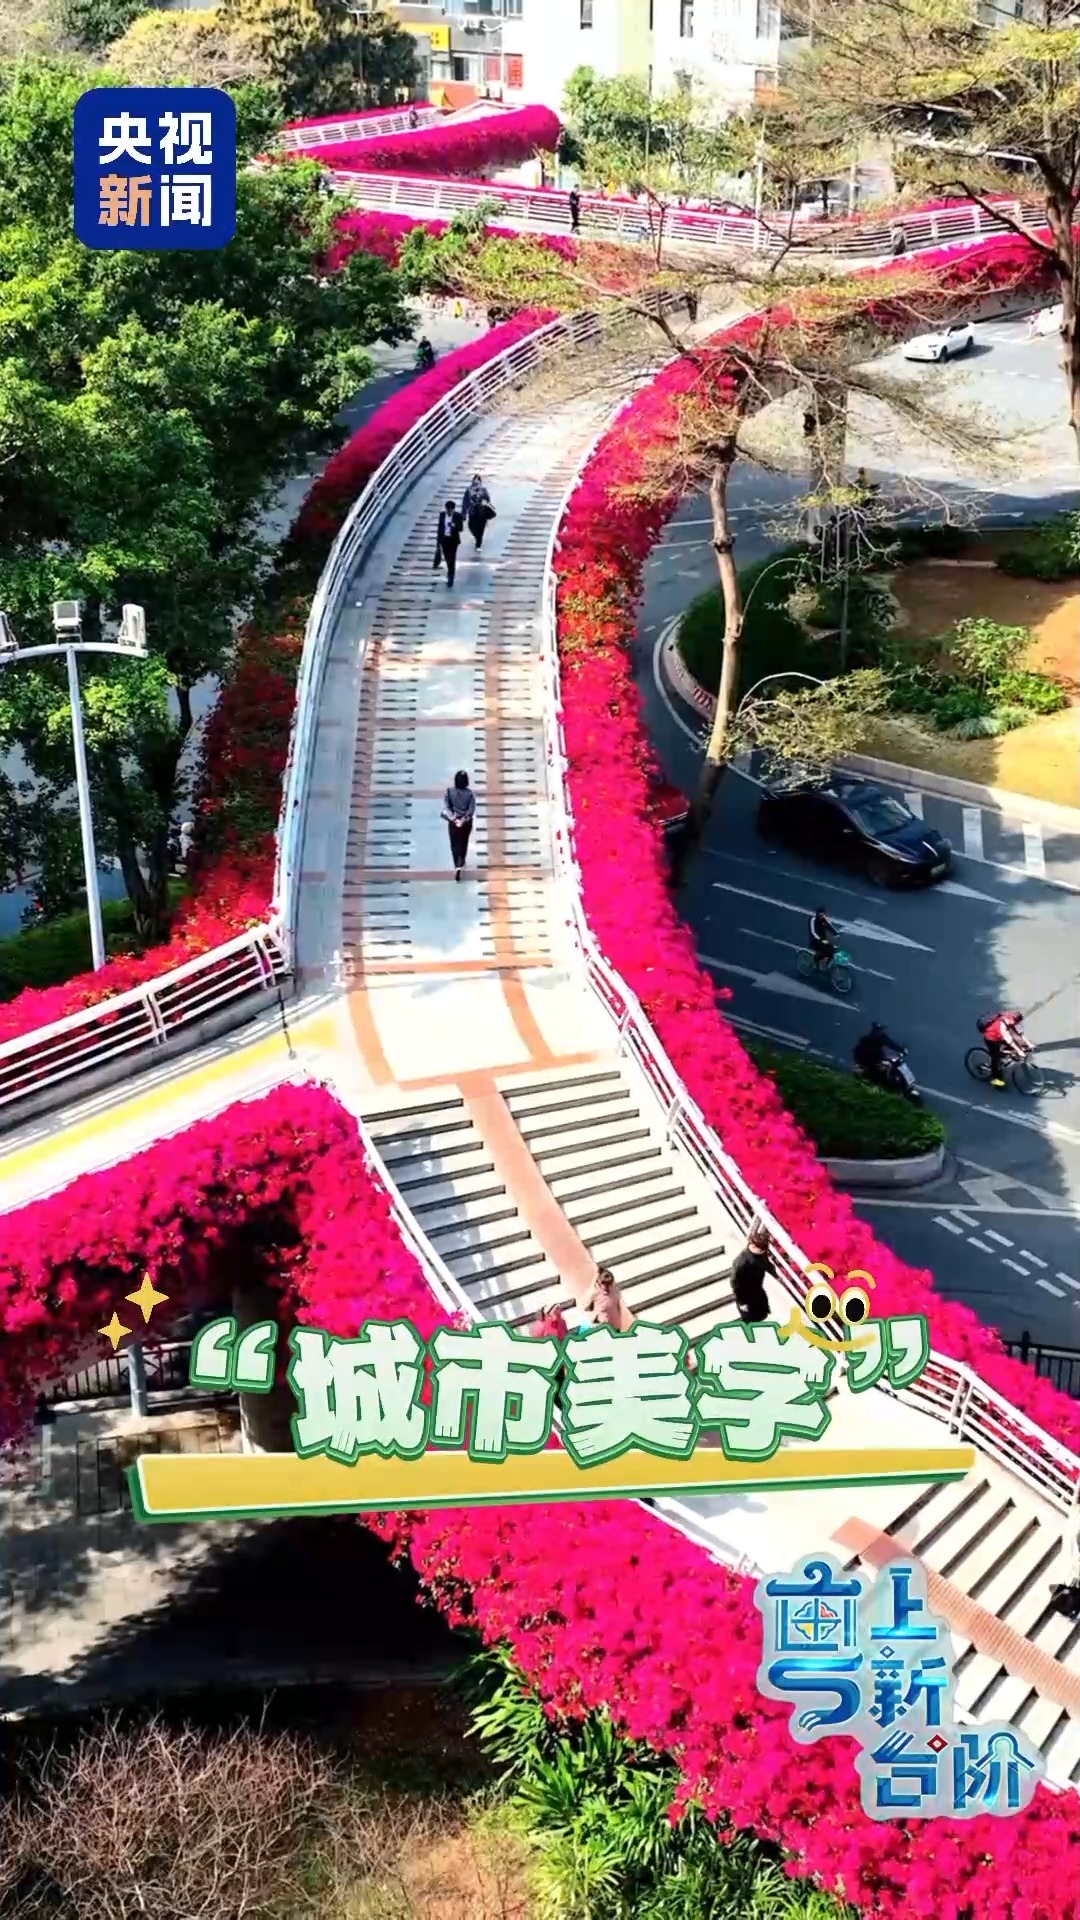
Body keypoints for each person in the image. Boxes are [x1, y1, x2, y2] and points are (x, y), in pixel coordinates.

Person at [731, 1223, 775, 1325]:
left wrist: (772, 1270)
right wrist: (742, 1302)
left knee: (761, 1313)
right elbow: (735, 1282)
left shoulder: (761, 1255)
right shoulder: (742, 1261)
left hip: (757, 1290)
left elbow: (766, 1263)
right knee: (750, 1319)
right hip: (746, 1295)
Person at [980, 1008, 1030, 1089]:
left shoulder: (1012, 1021)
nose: (1017, 1023)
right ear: (1011, 1019)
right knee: (995, 1060)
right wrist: (1019, 1051)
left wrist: (1029, 1044)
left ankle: (1004, 1056)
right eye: (1016, 1022)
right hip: (991, 1040)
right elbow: (1009, 1040)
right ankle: (996, 1080)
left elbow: (1020, 1034)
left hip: (1000, 1037)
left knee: (1015, 1047)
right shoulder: (1002, 1025)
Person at [441, 770, 475, 880]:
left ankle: (457, 865)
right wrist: (463, 819)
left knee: (454, 844)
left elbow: (447, 807)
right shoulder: (470, 794)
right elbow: (471, 810)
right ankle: (462, 860)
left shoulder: (449, 791)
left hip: (453, 822)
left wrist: (454, 819)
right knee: (463, 843)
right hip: (466, 823)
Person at [583, 1265, 633, 1331]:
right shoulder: (593, 1292)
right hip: (601, 1326)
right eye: (604, 1283)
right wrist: (597, 1316)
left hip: (615, 1325)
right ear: (598, 1282)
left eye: (609, 1283)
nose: (606, 1286)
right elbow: (585, 1307)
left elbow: (617, 1305)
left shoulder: (614, 1290)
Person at [433, 499, 464, 588]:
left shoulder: (458, 516)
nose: (450, 511)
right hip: (444, 539)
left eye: (451, 510)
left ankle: (451, 576)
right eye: (448, 510)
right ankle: (450, 571)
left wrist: (454, 526)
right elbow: (440, 528)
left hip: (453, 541)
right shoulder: (442, 515)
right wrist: (438, 541)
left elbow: (461, 529)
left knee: (452, 558)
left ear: (453, 509)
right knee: (447, 558)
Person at [461, 473, 494, 551]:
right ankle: (477, 537)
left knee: (481, 529)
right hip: (472, 512)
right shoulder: (469, 490)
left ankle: (478, 544)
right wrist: (463, 514)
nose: (475, 483)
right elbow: (465, 502)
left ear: (480, 482)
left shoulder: (483, 490)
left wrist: (484, 502)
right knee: (471, 526)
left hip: (481, 513)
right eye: (474, 481)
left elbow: (488, 499)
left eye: (477, 481)